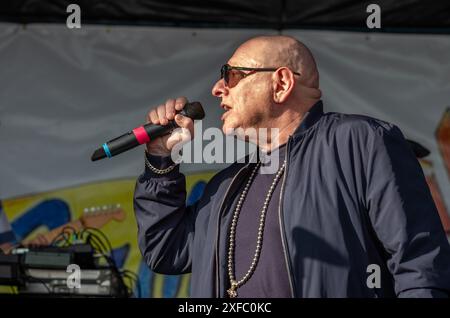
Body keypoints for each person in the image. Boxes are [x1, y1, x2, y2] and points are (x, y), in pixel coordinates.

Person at [134, 35, 450, 298]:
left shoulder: (358, 142)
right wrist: (161, 156)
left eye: (231, 75)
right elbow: (165, 249)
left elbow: (420, 263)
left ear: (281, 83)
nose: (218, 89)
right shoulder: (226, 185)